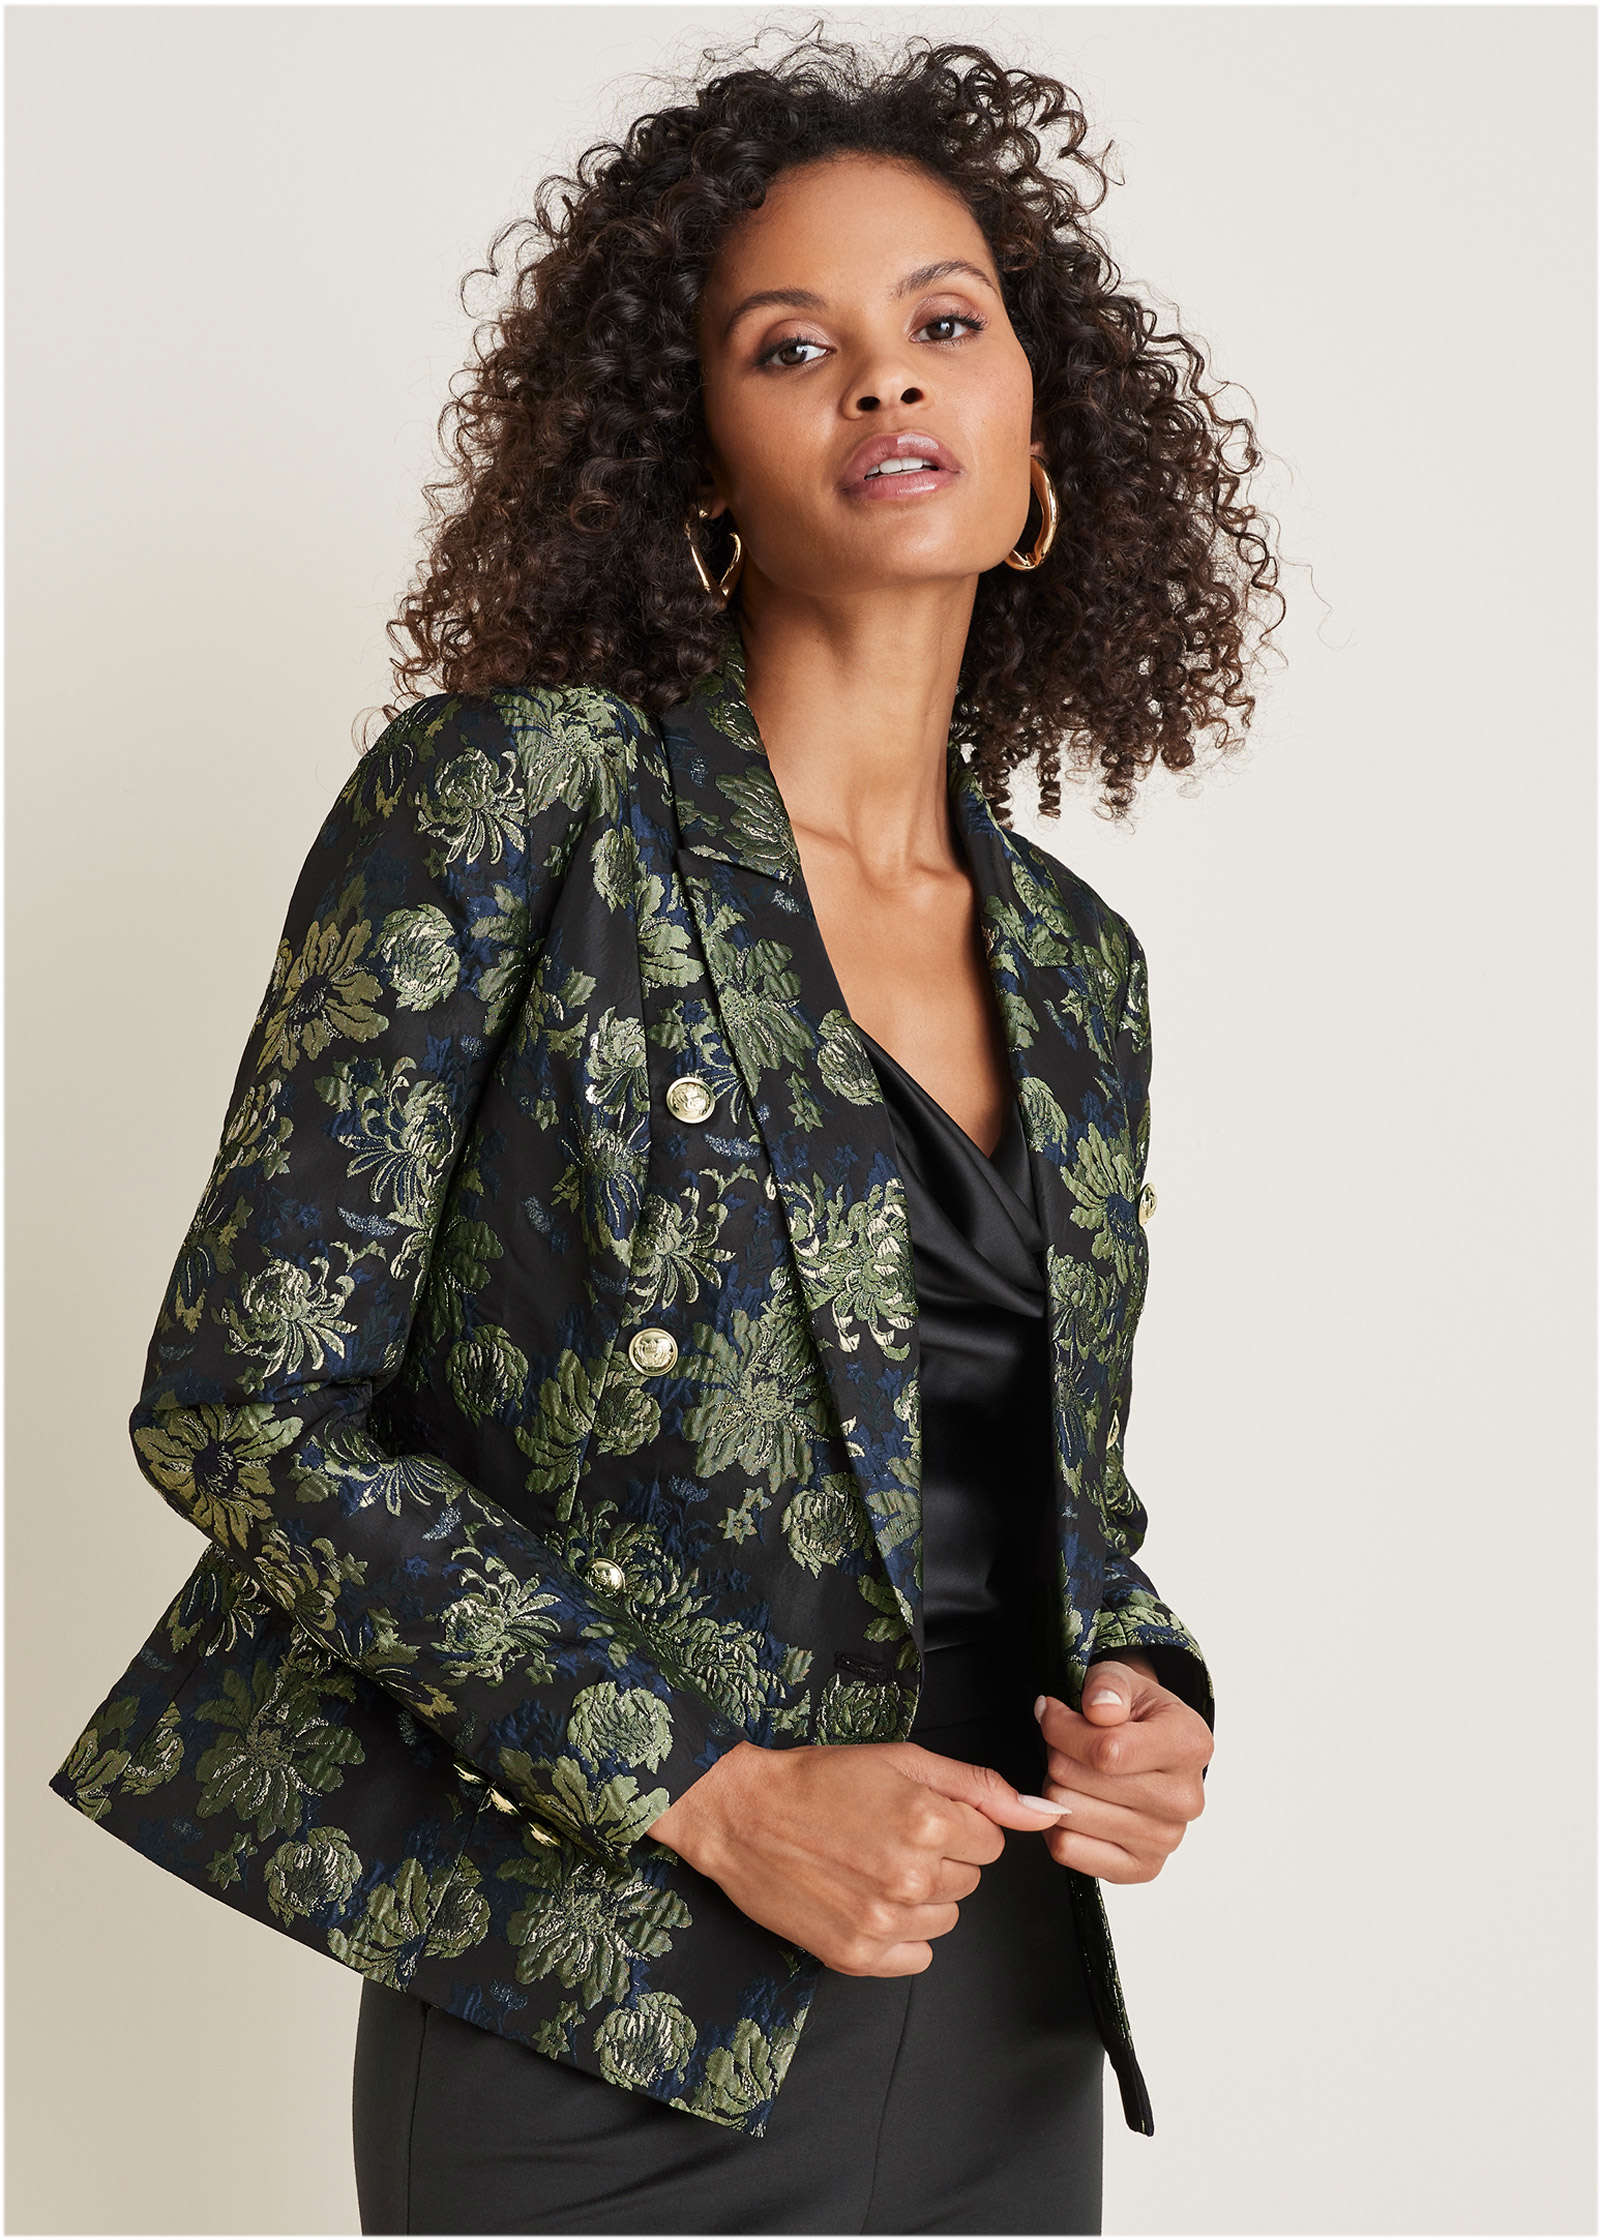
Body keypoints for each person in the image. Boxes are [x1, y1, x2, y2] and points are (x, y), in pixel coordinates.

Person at [49, 27, 1279, 2235]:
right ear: (696, 457)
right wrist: (706, 1789)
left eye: (945, 325)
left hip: (987, 1977)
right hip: (594, 1993)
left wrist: (1143, 1691)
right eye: (791, 346)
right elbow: (245, 1404)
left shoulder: (1076, 964)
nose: (884, 379)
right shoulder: (521, 804)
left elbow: (1038, 1484)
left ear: (1041, 428)